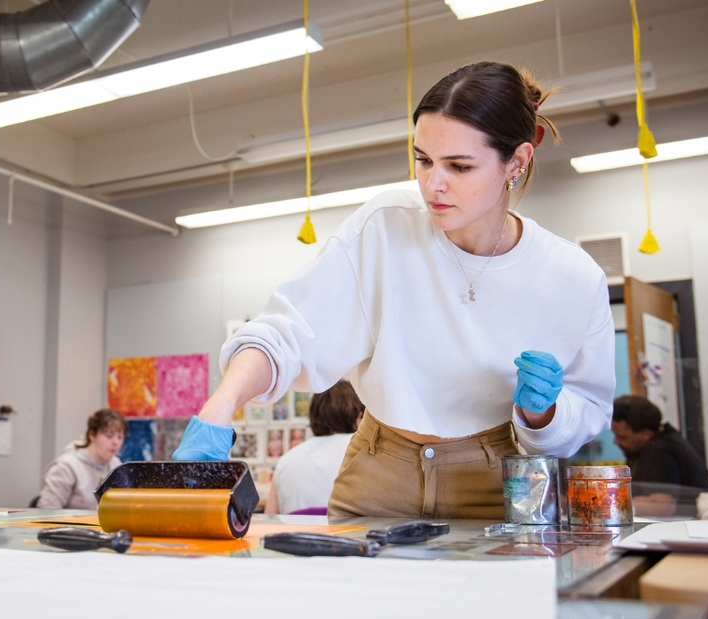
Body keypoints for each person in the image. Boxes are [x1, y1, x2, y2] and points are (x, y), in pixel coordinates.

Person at [173, 61, 614, 519]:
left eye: (459, 166)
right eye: (423, 159)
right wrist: (220, 407)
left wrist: (544, 414)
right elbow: (290, 331)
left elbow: (589, 411)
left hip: (492, 482)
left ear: (517, 162)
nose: (432, 184)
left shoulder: (571, 277)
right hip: (377, 470)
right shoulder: (384, 226)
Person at [266, 380, 365, 514]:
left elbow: (270, 522)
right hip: (350, 534)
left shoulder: (286, 461)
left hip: (298, 534)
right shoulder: (362, 453)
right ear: (359, 418)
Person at [611, 395, 708, 489]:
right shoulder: (664, 440)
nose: (615, 442)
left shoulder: (659, 451)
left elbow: (661, 504)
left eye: (622, 437)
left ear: (646, 434)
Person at [36, 409, 126, 510]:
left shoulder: (117, 466)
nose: (116, 442)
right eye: (109, 436)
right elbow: (47, 509)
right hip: (70, 525)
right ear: (92, 435)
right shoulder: (67, 466)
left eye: (120, 437)